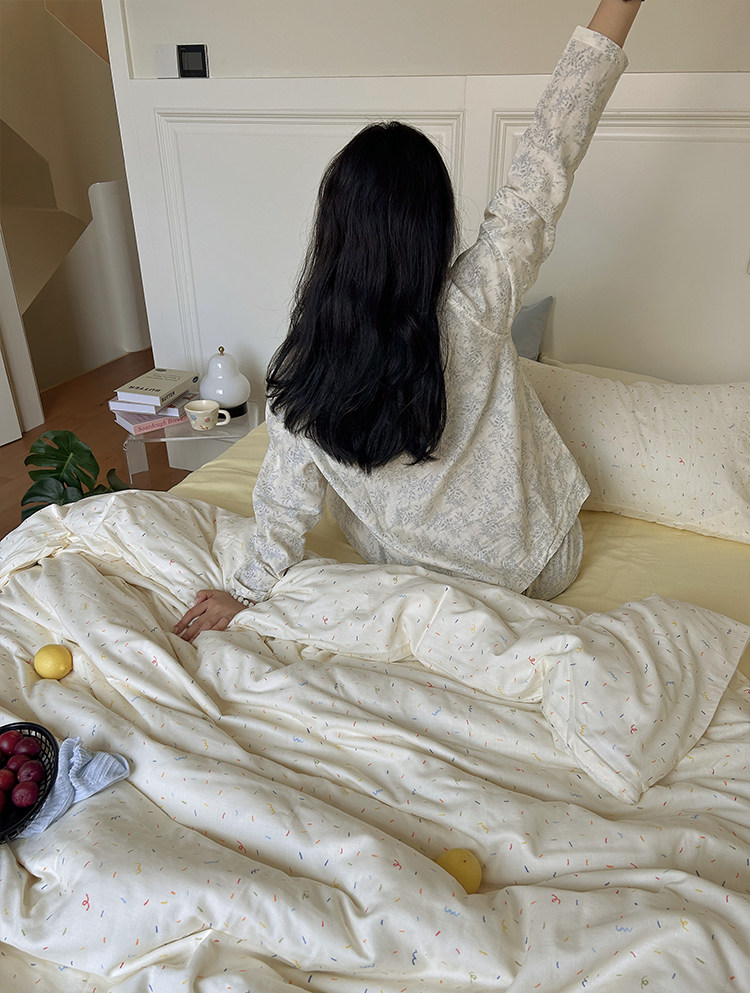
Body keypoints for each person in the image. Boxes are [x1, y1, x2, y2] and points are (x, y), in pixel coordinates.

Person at [174, 0, 644, 642]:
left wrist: (249, 589)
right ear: (435, 227)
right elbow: (548, 155)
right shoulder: (476, 301)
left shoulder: (307, 358)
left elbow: (285, 499)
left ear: (333, 231)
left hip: (407, 571)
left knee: (321, 468)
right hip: (535, 569)